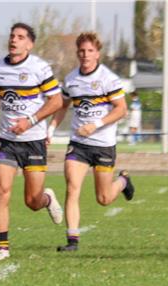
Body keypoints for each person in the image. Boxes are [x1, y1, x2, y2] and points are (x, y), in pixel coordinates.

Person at [0, 22, 65, 261]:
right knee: (2, 191)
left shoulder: (39, 68)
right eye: (12, 36)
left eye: (20, 37)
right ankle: (3, 248)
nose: (14, 40)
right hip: (8, 141)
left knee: (32, 201)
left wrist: (29, 121)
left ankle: (47, 199)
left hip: (34, 141)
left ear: (29, 43)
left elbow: (57, 101)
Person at [47, 32, 135, 252]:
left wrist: (95, 125)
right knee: (72, 188)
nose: (85, 55)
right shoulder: (71, 79)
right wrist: (50, 129)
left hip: (103, 144)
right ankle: (72, 241)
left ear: (97, 53)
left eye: (90, 51)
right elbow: (63, 106)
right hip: (78, 144)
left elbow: (121, 109)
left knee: (104, 198)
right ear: (77, 53)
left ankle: (123, 181)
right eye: (82, 51)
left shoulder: (108, 78)